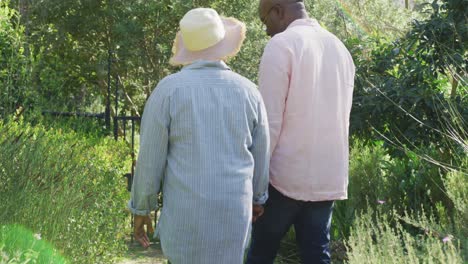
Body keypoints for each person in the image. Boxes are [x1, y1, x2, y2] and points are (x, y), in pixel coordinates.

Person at [128, 8, 270, 264]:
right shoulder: (249, 92)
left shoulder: (168, 92)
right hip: (233, 217)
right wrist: (258, 199)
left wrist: (142, 208)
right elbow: (261, 154)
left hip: (185, 220)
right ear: (221, 44)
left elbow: (150, 159)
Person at [246, 0, 355, 263]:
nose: (266, 30)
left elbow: (268, 123)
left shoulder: (281, 45)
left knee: (260, 254)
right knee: (317, 255)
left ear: (279, 11)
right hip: (327, 177)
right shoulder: (340, 48)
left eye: (264, 21)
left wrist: (255, 185)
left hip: (284, 178)